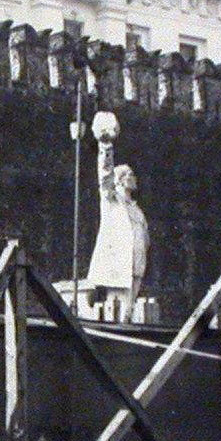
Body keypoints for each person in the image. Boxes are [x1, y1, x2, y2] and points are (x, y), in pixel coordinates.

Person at [85, 112, 149, 318]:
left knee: (129, 311)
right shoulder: (112, 200)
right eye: (130, 174)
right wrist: (105, 146)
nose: (134, 177)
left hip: (136, 266)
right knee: (117, 311)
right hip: (118, 266)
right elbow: (104, 175)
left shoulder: (136, 209)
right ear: (120, 180)